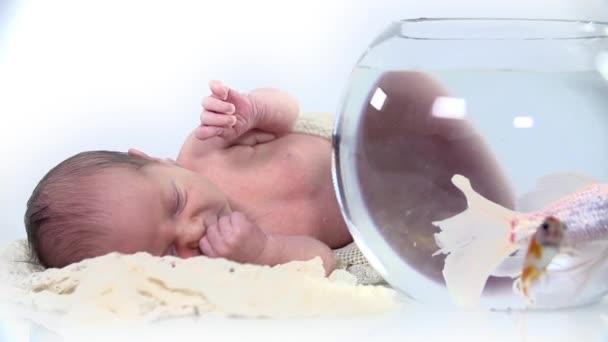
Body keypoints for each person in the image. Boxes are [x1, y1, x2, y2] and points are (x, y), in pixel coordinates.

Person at [24, 72, 515, 285]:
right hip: (389, 219)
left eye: (174, 204)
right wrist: (261, 252)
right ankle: (507, 224)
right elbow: (320, 261)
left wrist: (255, 110)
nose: (190, 231)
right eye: (168, 253)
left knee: (406, 89)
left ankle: (501, 186)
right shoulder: (230, 264)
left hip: (375, 147)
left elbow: (289, 112)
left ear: (157, 160)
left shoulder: (205, 148)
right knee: (442, 251)